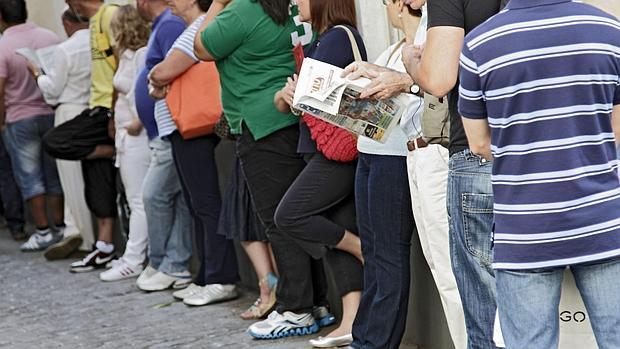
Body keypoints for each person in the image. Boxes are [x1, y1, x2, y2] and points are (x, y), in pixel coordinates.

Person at [458, 1, 620, 348]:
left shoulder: (478, 43)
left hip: (525, 229)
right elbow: (617, 129)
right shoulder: (610, 31)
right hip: (602, 222)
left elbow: (478, 142)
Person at [195, 0, 328, 339]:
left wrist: (218, 3)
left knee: (278, 221)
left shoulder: (242, 11)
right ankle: (317, 303)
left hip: (260, 122)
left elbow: (201, 47)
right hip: (288, 117)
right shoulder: (283, 7)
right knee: (297, 215)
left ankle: (296, 309)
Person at [341, 1, 468, 347]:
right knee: (445, 273)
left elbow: (441, 81)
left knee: (455, 274)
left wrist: (405, 79)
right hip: (417, 151)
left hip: (438, 150)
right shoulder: (432, 17)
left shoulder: (446, 15)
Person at [404, 0, 502, 347]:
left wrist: (413, 63)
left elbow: (440, 78)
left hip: (476, 151)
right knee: (528, 292)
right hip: (533, 152)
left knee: (482, 298)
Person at [272, 0, 364, 346]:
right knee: (335, 226)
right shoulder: (320, 42)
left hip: (336, 152)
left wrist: (298, 96)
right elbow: (293, 101)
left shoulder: (337, 38)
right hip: (320, 148)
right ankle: (351, 320)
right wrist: (289, 95)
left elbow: (327, 98)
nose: (294, 1)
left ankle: (361, 248)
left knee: (290, 214)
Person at [146, 0, 240, 303]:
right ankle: (205, 275)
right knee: (197, 203)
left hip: (191, 127)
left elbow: (162, 72)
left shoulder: (197, 28)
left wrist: (157, 79)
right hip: (181, 127)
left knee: (206, 202)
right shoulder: (190, 29)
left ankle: (221, 277)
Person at [43, 0, 119, 273]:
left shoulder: (110, 15)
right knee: (96, 175)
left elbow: (120, 63)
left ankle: (111, 150)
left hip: (104, 109)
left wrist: (113, 112)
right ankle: (104, 244)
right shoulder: (98, 22)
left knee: (55, 141)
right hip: (96, 106)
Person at [133, 0, 193, 292]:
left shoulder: (170, 24)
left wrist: (155, 82)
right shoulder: (165, 25)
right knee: (173, 197)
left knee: (154, 194)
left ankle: (167, 263)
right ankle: (170, 264)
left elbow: (174, 71)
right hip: (164, 131)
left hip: (172, 128)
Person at [0, 0, 65, 253]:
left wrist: (1, 121)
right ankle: (59, 226)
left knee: (30, 178)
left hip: (19, 117)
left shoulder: (3, 46)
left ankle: (42, 231)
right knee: (53, 174)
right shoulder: (49, 37)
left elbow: (1, 89)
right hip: (50, 112)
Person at [32, 7, 93, 260]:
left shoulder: (65, 49)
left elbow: (54, 90)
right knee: (91, 176)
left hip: (68, 111)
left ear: (67, 23)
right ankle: (79, 229)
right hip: (92, 109)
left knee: (72, 179)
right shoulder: (96, 41)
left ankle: (82, 234)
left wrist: (38, 76)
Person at [99, 4, 150, 282]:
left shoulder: (141, 55)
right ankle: (134, 255)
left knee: (138, 199)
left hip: (134, 134)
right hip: (125, 134)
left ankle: (134, 258)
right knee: (135, 198)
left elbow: (139, 92)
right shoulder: (128, 55)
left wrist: (135, 122)